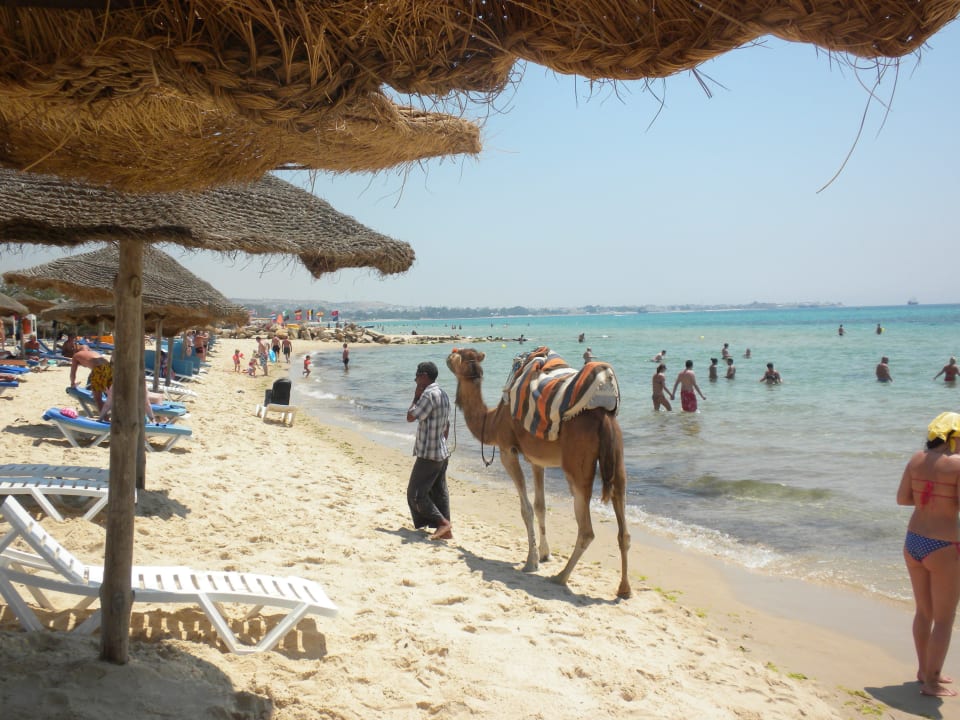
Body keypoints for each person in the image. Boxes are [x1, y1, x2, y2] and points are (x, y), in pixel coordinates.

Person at [897, 412, 960, 697]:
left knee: (924, 612)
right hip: (944, 546)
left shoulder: (915, 459)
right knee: (945, 619)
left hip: (914, 541)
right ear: (951, 437)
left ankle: (924, 671)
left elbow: (902, 499)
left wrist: (930, 499)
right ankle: (932, 683)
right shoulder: (958, 465)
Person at [406, 361, 452, 540]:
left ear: (424, 376)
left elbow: (411, 416)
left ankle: (443, 524)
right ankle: (446, 531)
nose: (416, 380)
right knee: (439, 492)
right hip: (441, 451)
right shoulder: (443, 393)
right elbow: (446, 426)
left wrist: (415, 397)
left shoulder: (428, 394)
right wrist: (439, 441)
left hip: (429, 454)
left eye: (417, 376)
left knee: (416, 493)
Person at [69, 347, 112, 413]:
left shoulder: (76, 355)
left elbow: (73, 373)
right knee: (112, 394)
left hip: (98, 368)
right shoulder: (94, 353)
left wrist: (72, 383)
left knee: (98, 399)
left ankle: (105, 420)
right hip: (109, 367)